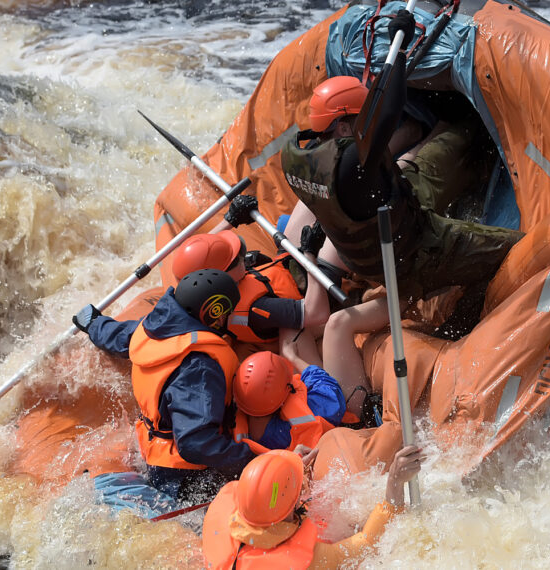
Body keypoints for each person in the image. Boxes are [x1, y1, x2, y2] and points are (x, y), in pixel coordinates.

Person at [280, 9, 523, 338]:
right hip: (412, 250)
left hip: (394, 203)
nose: (364, 122)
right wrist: (402, 45)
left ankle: (471, 139)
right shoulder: (350, 164)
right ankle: (460, 328)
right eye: (358, 118)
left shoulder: (296, 157)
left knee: (461, 136)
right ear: (341, 126)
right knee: (517, 250)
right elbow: (388, 110)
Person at [72, 269, 253, 502]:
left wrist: (94, 323)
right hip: (182, 473)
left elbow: (115, 335)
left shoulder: (150, 329)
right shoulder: (200, 367)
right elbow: (195, 443)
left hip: (152, 450)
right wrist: (248, 460)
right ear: (214, 314)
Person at [201, 445, 425, 568]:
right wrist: (394, 483)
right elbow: (367, 544)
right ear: (294, 502)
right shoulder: (308, 562)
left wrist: (292, 465)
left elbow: (264, 488)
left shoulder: (223, 506)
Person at [170, 227, 330, 368]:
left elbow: (202, 254)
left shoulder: (202, 291)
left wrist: (230, 220)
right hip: (316, 286)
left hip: (285, 268)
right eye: (235, 260)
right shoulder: (257, 307)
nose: (241, 256)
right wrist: (310, 255)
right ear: (220, 278)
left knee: (305, 208)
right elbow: (317, 313)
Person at [230, 351, 345, 454]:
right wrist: (293, 357)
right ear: (284, 398)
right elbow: (330, 391)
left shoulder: (234, 426)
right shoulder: (286, 431)